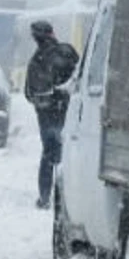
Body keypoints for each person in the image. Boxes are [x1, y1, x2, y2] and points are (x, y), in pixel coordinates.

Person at [24, 20, 79, 209]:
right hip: (68, 111)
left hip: (46, 115)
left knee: (48, 155)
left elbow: (28, 94)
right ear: (52, 33)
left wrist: (44, 103)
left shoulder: (35, 60)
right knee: (70, 154)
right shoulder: (67, 51)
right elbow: (80, 77)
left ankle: (45, 198)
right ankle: (70, 199)